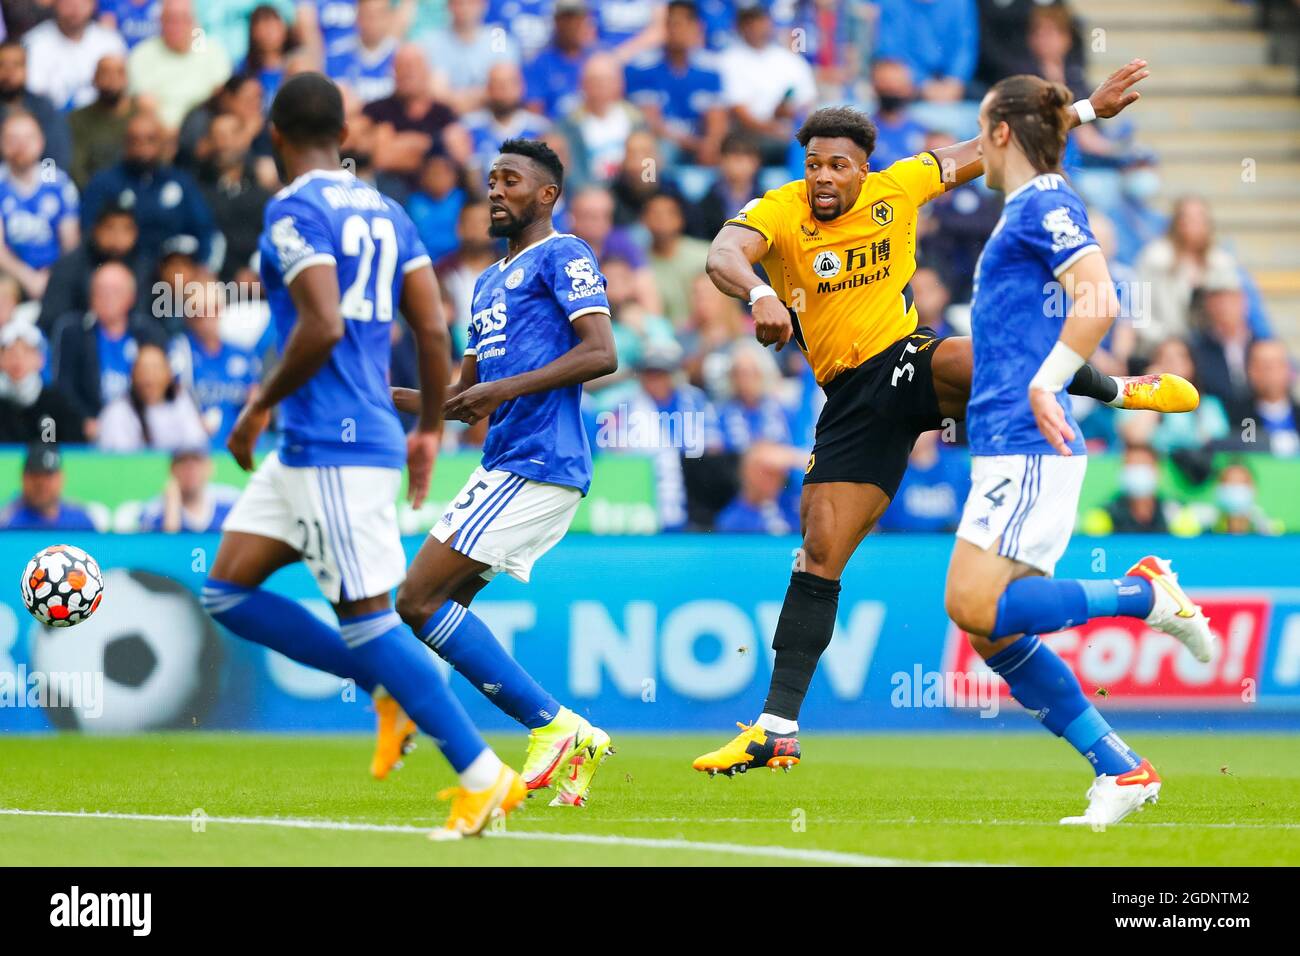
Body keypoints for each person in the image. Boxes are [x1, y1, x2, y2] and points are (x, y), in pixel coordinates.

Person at [692, 66, 1200, 779]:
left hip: (904, 358)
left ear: (863, 168)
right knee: (818, 553)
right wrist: (756, 295)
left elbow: (981, 151)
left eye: (837, 164)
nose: (823, 177)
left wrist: (1083, 108)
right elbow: (723, 251)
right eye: (813, 165)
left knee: (978, 352)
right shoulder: (780, 211)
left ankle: (1116, 388)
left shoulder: (898, 188)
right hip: (848, 402)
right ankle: (777, 728)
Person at [201, 72, 523, 839]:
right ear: (343, 136)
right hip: (333, 444)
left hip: (329, 447)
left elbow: (318, 325)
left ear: (275, 136)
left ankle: (482, 777)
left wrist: (255, 406)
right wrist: (430, 429)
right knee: (226, 590)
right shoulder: (388, 211)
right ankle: (385, 689)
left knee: (368, 618)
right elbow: (435, 330)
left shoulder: (291, 210)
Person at [944, 74, 1218, 828]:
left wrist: (1049, 383)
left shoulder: (1043, 202)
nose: (978, 145)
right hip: (1010, 437)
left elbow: (1099, 296)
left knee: (971, 604)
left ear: (1001, 132)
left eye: (982, 127)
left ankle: (1146, 596)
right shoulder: (1033, 199)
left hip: (1027, 435)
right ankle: (1120, 768)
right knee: (987, 625)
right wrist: (1084, 110)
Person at [391, 138, 619, 808]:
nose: (494, 190)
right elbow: (463, 403)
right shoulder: (487, 284)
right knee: (442, 607)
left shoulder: (563, 253)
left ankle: (555, 725)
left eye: (510, 180)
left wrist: (506, 389)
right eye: (490, 180)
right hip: (507, 463)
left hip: (540, 460)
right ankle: (568, 760)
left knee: (416, 599)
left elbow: (600, 352)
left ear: (546, 195)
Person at [49, 261, 165, 427]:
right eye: (100, 290)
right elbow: (65, 387)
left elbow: (163, 384)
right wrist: (85, 420)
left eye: (115, 291)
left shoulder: (148, 333)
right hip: (90, 428)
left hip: (142, 429)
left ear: (131, 297)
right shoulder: (73, 332)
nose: (106, 297)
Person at [0, 112, 80, 300]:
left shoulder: (58, 182)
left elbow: (70, 245)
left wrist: (52, 276)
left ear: (41, 141)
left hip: (54, 273)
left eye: (28, 138)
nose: (20, 146)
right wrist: (29, 279)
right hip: (9, 277)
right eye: (12, 139)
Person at [127, 0, 232, 132]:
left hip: (203, 129)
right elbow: (144, 103)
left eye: (183, 19)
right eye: (170, 19)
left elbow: (220, 94)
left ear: (194, 21)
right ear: (160, 21)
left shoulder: (213, 50)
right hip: (158, 132)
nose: (176, 26)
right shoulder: (141, 54)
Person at [95, 340, 209, 451]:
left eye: (156, 369)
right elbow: (116, 462)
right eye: (143, 370)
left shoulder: (181, 403)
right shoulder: (118, 413)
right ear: (132, 375)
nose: (149, 378)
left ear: (169, 374)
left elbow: (195, 448)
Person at [21, 0, 128, 112]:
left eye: (82, 3)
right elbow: (34, 96)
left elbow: (122, 93)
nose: (75, 10)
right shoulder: (34, 43)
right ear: (54, 3)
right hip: (50, 121)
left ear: (94, 5)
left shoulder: (111, 41)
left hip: (102, 119)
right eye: (68, 3)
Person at [0, 321, 87, 444]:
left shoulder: (57, 403)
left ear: (40, 359)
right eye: (11, 352)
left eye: (26, 351)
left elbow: (76, 450)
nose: (18, 359)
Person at [0, 39, 72, 171]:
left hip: (38, 183)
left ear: (26, 68)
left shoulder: (43, 108)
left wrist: (45, 186)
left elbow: (54, 154)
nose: (9, 72)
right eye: (2, 65)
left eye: (16, 65)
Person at [66, 54, 134, 188]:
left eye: (118, 73)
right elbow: (76, 167)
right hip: (94, 193)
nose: (112, 80)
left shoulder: (141, 116)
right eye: (105, 73)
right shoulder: (77, 119)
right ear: (94, 79)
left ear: (127, 79)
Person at [138, 446, 240, 532]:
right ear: (172, 470)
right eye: (183, 464)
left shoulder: (231, 502)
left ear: (209, 468)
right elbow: (159, 550)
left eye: (197, 463)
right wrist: (172, 511)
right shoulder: (154, 512)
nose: (190, 470)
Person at [0, 443, 98, 531]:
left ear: (61, 477)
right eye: (36, 475)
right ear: (23, 478)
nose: (42, 483)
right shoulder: (7, 521)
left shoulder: (79, 519)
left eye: (48, 476)